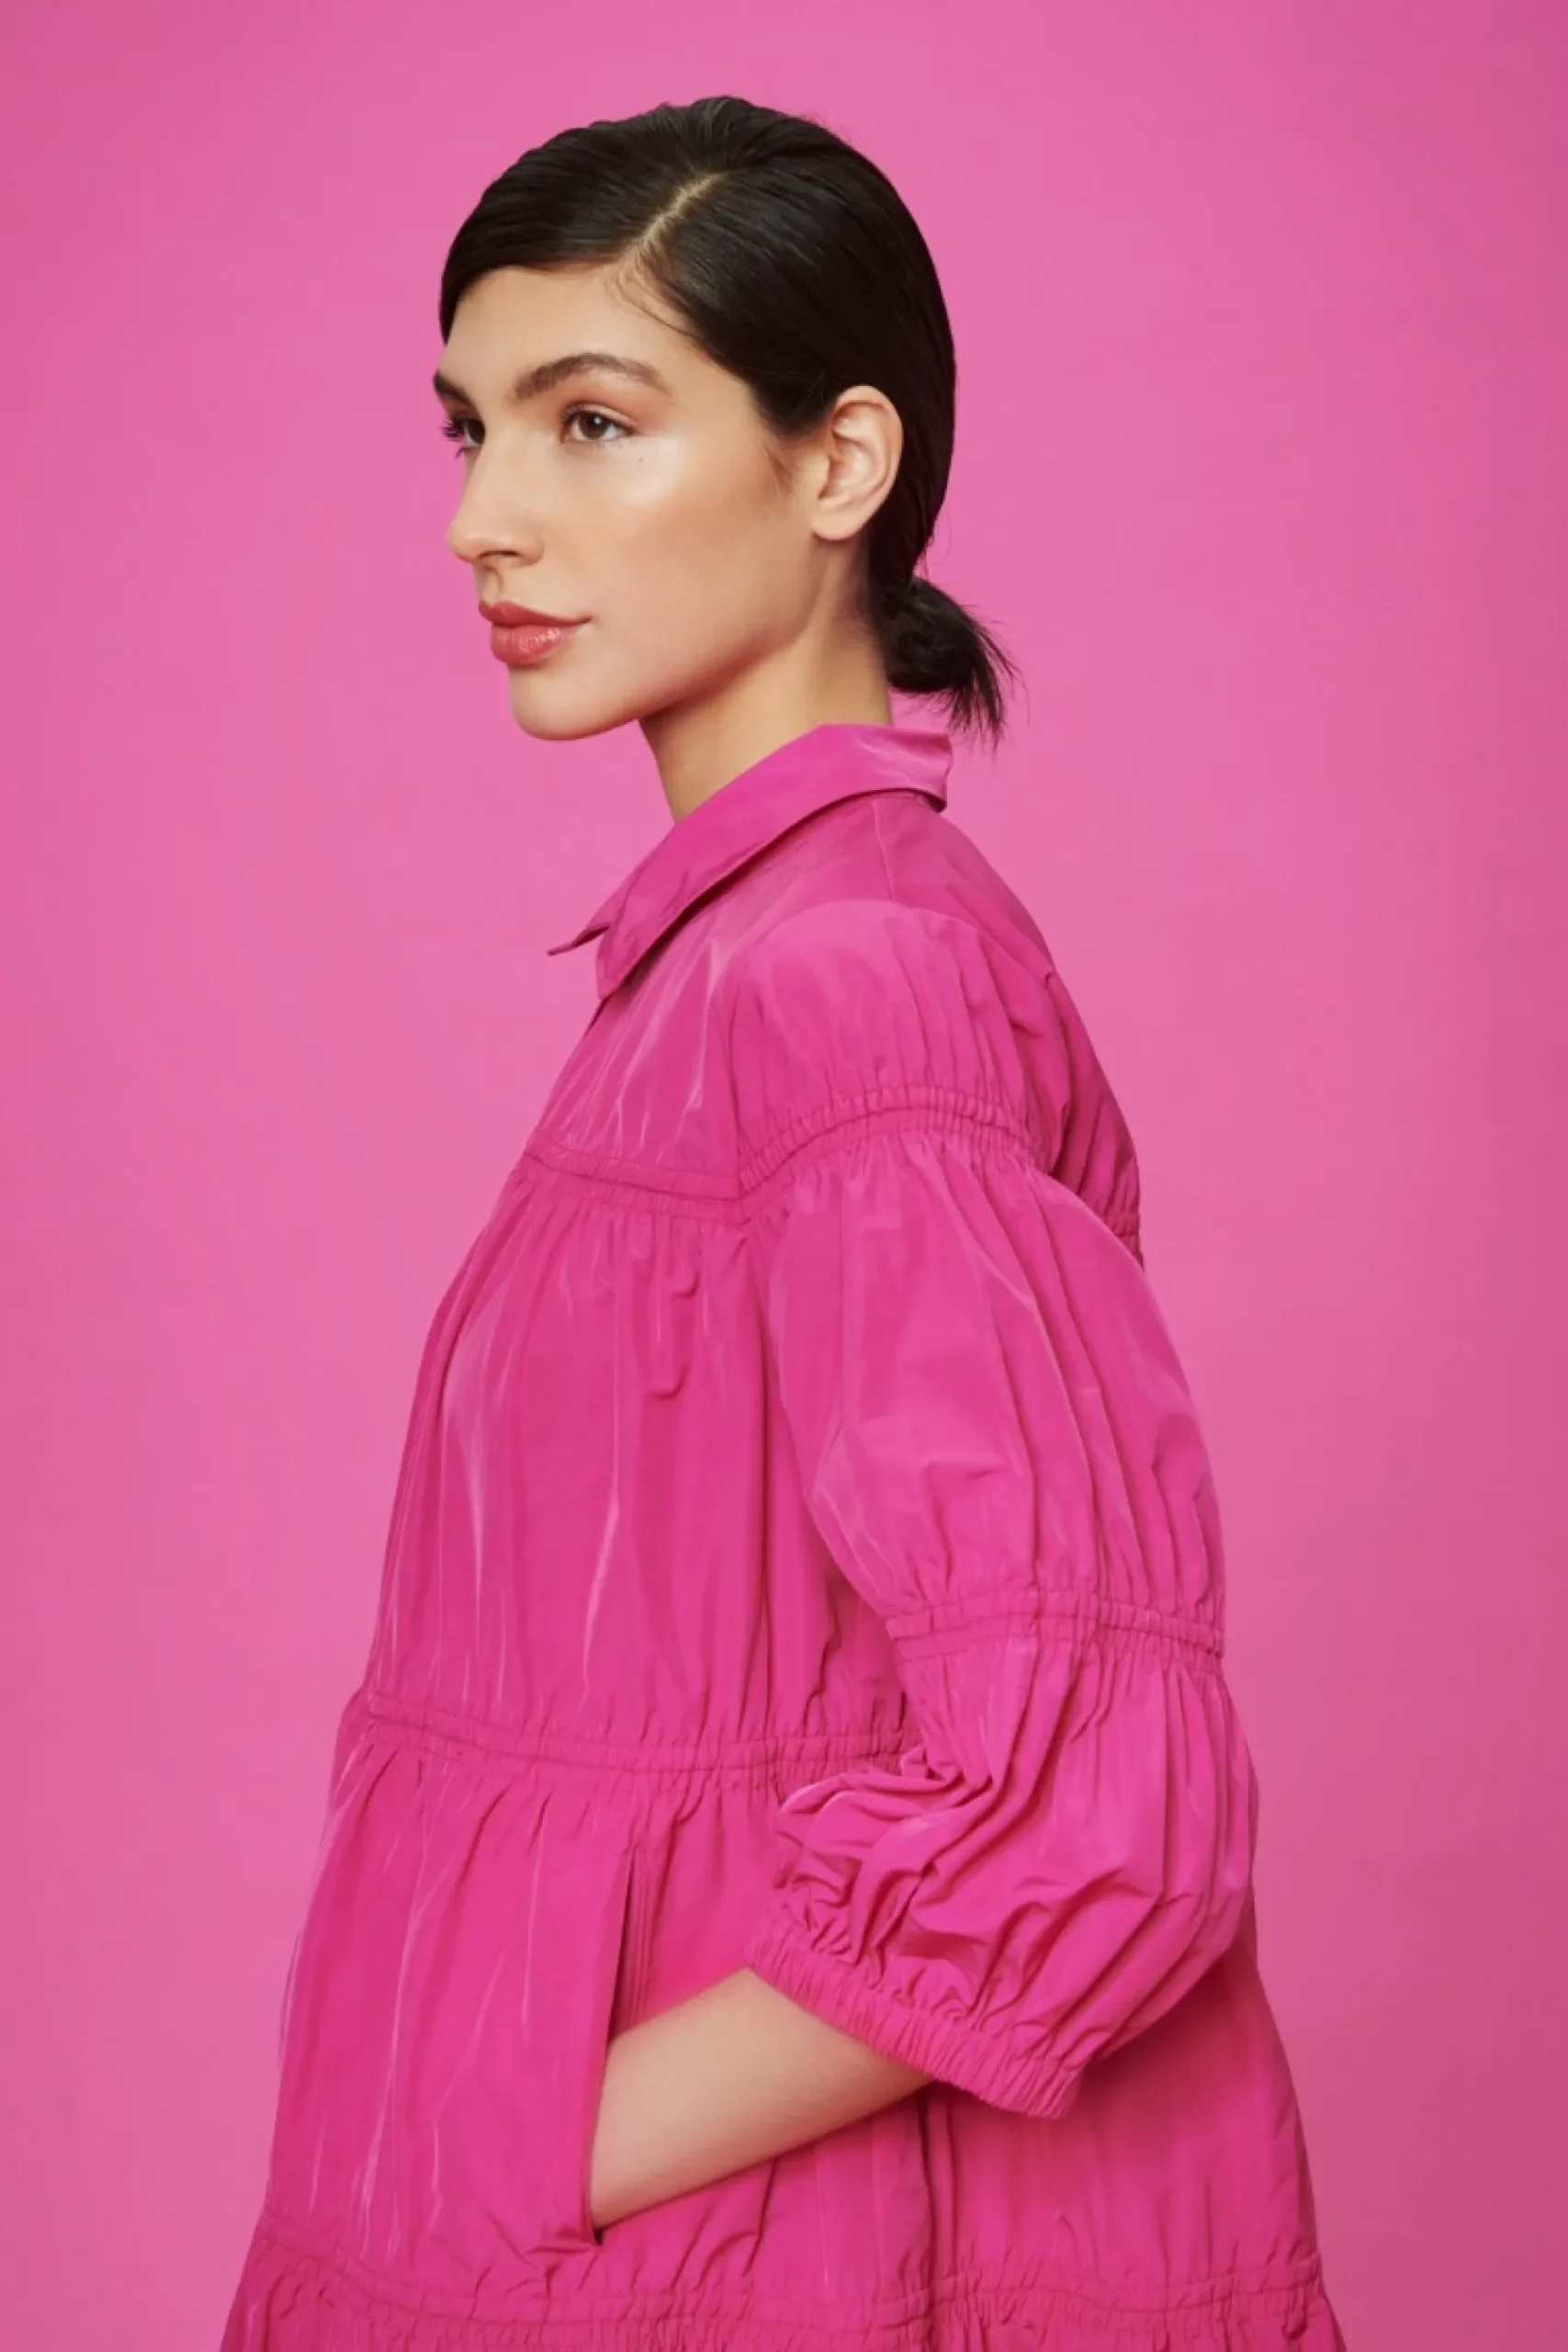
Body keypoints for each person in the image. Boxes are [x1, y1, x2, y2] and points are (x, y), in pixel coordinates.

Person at [220, 94, 1347, 2352]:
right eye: (468, 427)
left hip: (727, 2250)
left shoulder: (847, 978)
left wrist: (517, 2143)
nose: (481, 517)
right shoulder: (747, 962)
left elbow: (1088, 1812)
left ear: (839, 464)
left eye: (591, 421)